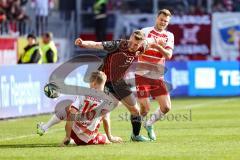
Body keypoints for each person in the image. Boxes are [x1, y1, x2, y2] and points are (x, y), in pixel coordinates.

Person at [75, 30, 151, 141]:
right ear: (130, 37)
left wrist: (157, 43)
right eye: (133, 42)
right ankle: (78, 133)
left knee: (135, 110)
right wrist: (83, 43)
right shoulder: (118, 45)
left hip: (119, 82)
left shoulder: (141, 47)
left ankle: (135, 136)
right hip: (104, 81)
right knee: (103, 111)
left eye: (137, 45)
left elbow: (150, 42)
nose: (134, 46)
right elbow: (98, 45)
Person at [37, 71, 122, 145]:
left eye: (89, 82)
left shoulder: (83, 94)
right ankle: (104, 138)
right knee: (105, 138)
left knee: (68, 108)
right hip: (89, 139)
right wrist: (110, 137)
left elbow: (71, 115)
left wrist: (67, 136)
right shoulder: (108, 101)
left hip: (74, 132)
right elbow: (106, 120)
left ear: (94, 83)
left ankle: (45, 127)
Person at [135, 9, 174, 140]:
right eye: (161, 19)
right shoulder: (145, 31)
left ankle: (149, 124)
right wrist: (143, 46)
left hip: (157, 76)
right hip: (142, 74)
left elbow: (168, 55)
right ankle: (135, 134)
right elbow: (136, 47)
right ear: (157, 18)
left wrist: (157, 46)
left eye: (166, 21)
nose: (163, 22)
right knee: (145, 109)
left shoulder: (169, 36)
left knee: (166, 107)